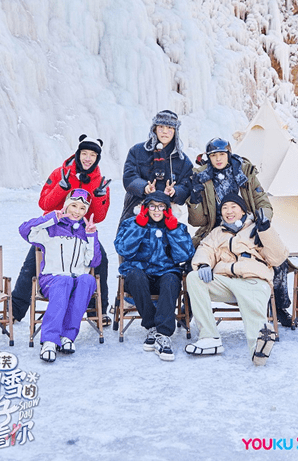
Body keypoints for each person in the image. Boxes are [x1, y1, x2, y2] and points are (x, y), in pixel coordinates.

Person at [187, 137, 293, 327]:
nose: (218, 159)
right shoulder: (201, 176)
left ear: (228, 154)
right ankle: (192, 310)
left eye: (221, 154)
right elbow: (198, 221)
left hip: (247, 227)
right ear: (208, 157)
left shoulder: (245, 172)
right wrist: (194, 200)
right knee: (190, 261)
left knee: (279, 262)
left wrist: (262, 222)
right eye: (213, 156)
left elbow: (263, 202)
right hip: (215, 230)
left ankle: (278, 307)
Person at [11, 135, 111, 325]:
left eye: (92, 155)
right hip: (53, 229)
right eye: (84, 153)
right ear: (78, 153)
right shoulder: (60, 173)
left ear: (97, 158)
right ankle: (15, 311)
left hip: (81, 232)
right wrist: (61, 187)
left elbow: (97, 217)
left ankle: (97, 311)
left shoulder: (100, 182)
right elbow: (44, 203)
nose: (87, 158)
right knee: (32, 264)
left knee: (100, 260)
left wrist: (98, 198)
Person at [185, 193, 289, 365]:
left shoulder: (257, 228)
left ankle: (259, 348)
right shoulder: (217, 232)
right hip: (225, 281)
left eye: (233, 207)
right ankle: (210, 337)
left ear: (242, 210)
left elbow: (278, 257)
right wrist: (203, 264)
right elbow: (206, 249)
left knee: (254, 308)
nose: (229, 211)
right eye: (225, 208)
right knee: (194, 278)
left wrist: (266, 231)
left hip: (253, 279)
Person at [19, 189, 102, 362]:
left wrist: (92, 235)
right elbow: (24, 230)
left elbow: (94, 262)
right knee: (64, 280)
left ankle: (67, 337)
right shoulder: (51, 228)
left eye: (81, 208)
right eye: (73, 205)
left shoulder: (85, 232)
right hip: (52, 280)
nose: (76, 211)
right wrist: (51, 218)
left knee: (88, 279)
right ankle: (49, 340)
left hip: (77, 280)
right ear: (66, 205)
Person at [114, 191, 195, 361]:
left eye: (161, 207)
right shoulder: (130, 224)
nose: (156, 210)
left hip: (164, 274)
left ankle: (163, 334)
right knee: (136, 276)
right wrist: (139, 227)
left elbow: (185, 255)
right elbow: (123, 250)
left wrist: (173, 231)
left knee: (172, 279)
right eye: (152, 206)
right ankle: (151, 325)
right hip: (138, 275)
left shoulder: (177, 227)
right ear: (145, 208)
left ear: (167, 209)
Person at [119, 110, 193, 224]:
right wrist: (144, 187)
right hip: (135, 211)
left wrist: (175, 191)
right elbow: (129, 177)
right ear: (154, 128)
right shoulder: (137, 151)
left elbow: (186, 186)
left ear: (175, 131)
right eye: (161, 127)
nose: (164, 131)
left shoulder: (183, 160)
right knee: (129, 240)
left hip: (166, 217)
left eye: (169, 128)